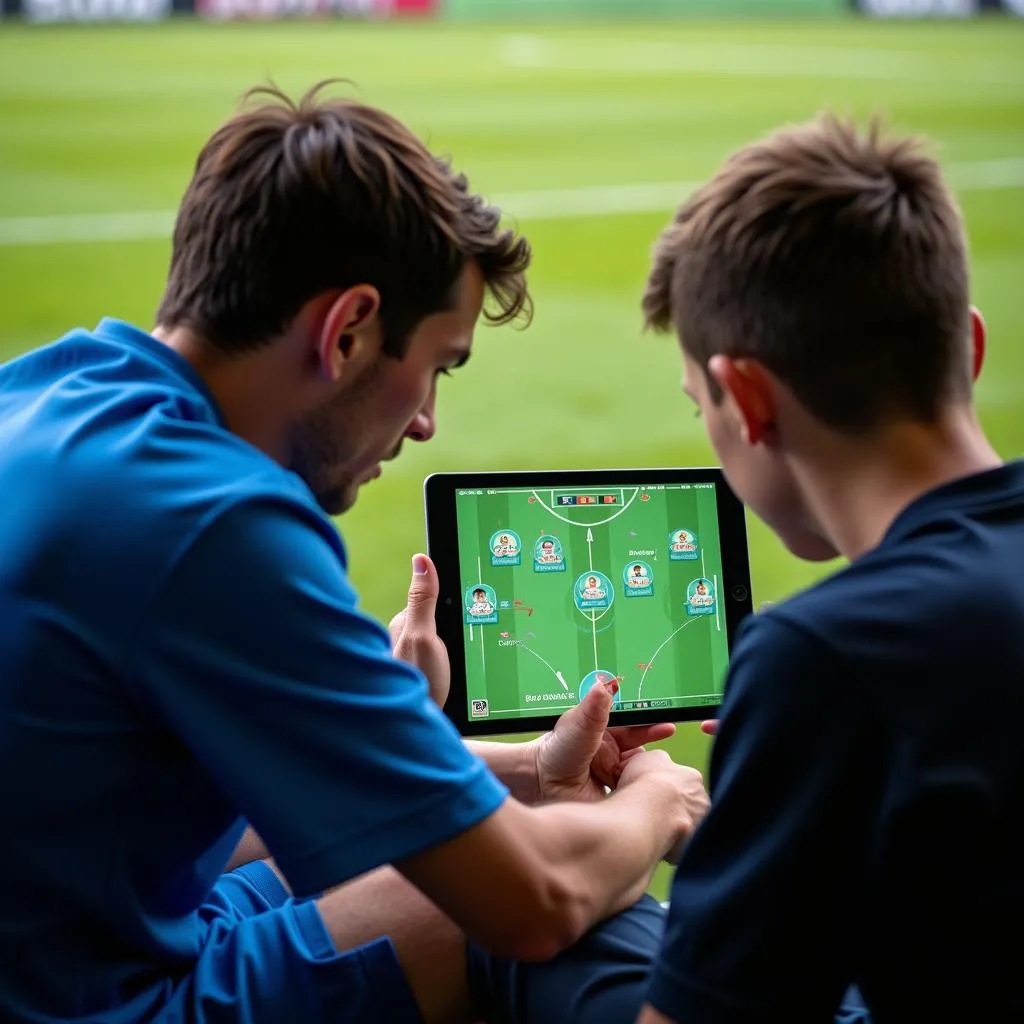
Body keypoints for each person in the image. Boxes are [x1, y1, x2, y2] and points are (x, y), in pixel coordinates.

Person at [0, 81, 711, 1024]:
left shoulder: (52, 389)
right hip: (91, 1003)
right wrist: (656, 805)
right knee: (508, 889)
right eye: (436, 368)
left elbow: (231, 801)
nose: (423, 422)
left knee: (494, 829)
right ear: (348, 330)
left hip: (75, 932)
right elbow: (532, 905)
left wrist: (535, 768)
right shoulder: (217, 524)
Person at [468, 114, 1024, 1022]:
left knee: (528, 935)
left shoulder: (830, 654)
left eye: (703, 409)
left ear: (752, 401)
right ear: (966, 344)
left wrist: (633, 815)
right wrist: (753, 823)